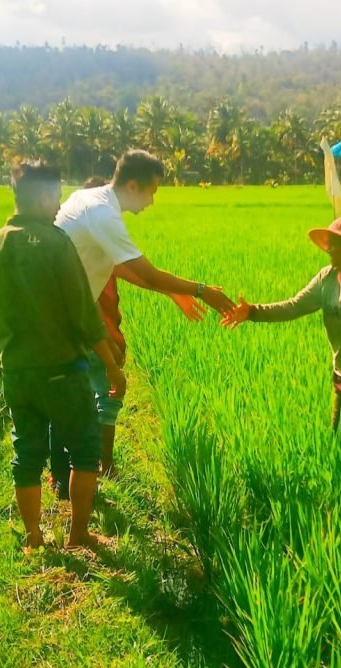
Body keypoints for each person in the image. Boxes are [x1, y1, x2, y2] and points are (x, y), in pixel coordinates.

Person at [49, 151, 235, 496]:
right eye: (151, 192)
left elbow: (117, 265)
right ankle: (76, 497)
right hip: (61, 321)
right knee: (75, 405)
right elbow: (144, 270)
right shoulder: (102, 212)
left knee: (68, 399)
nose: (152, 201)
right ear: (132, 185)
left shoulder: (89, 199)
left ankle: (64, 479)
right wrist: (200, 289)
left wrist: (169, 292)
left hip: (62, 314)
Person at [0, 160, 126, 550]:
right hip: (62, 369)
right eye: (56, 196)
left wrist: (1, 358)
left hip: (16, 371)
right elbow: (83, 313)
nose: (59, 204)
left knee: (26, 451)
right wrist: (110, 365)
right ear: (43, 197)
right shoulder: (58, 244)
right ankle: (78, 535)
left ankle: (33, 539)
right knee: (85, 449)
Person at [221, 215, 341, 435]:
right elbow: (294, 306)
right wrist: (253, 311)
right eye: (329, 244)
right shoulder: (327, 278)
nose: (329, 249)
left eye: (335, 244)